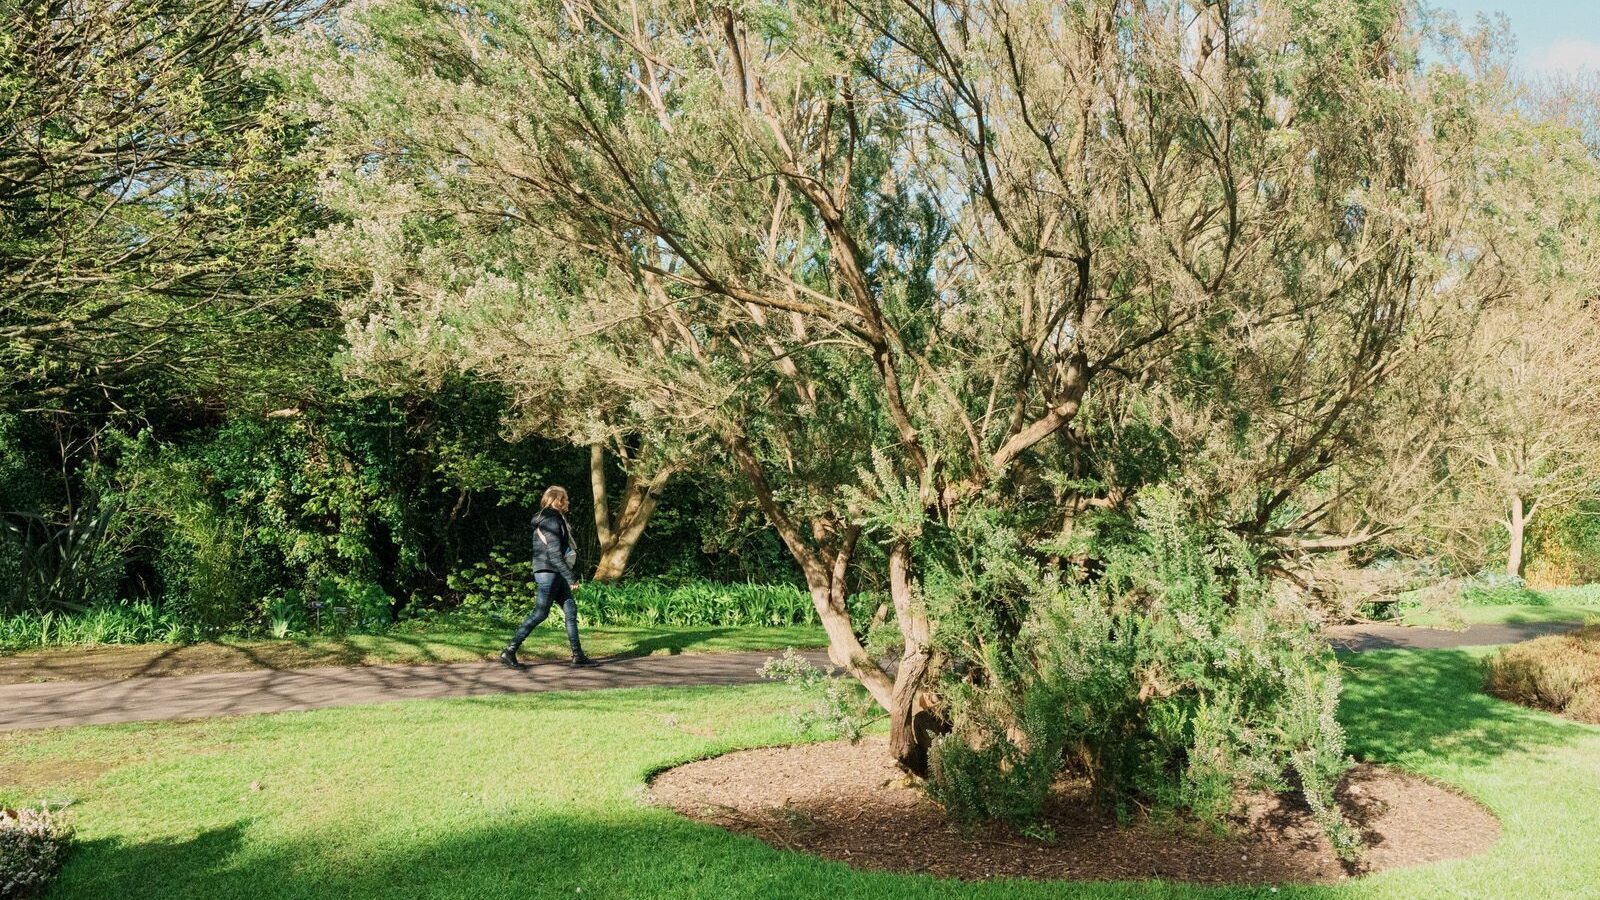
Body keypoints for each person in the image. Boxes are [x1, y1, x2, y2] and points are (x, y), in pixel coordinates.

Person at [500, 486, 597, 669]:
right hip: (550, 572)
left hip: (553, 572)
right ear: (557, 500)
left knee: (570, 610)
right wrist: (571, 578)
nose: (567, 501)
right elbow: (554, 554)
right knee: (540, 613)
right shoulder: (551, 520)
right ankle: (510, 650)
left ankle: (578, 655)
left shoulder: (551, 518)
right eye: (565, 498)